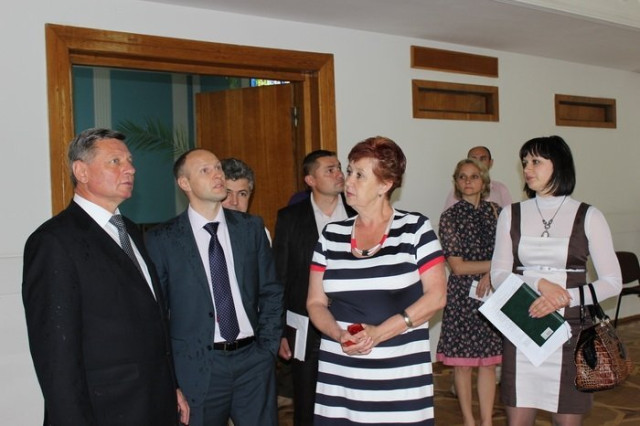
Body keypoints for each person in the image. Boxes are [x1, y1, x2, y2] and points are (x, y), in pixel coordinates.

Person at [22, 128, 189, 425]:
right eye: (115, 161)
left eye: (130, 161)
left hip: (155, 401)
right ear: (81, 171)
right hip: (106, 410)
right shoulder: (54, 242)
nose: (130, 169)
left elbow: (153, 320)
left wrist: (172, 386)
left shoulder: (131, 231)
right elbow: (56, 356)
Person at [307, 136, 447, 424]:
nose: (348, 181)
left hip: (399, 371)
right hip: (340, 369)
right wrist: (338, 334)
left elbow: (436, 297)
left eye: (360, 175)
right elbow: (315, 302)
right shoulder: (331, 235)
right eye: (349, 171)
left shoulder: (415, 229)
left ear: (385, 185)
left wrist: (379, 333)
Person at [146, 148, 283, 426]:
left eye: (218, 167)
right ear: (184, 183)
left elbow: (271, 291)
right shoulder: (162, 239)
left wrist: (267, 350)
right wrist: (171, 378)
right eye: (205, 170)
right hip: (197, 367)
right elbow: (156, 314)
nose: (217, 174)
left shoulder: (250, 228)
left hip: (253, 362)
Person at [490, 135, 622, 426]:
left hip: (570, 329)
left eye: (536, 161)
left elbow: (613, 281)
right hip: (522, 325)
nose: (527, 168)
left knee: (567, 420)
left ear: (559, 165)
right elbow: (498, 275)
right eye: (525, 162)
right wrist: (540, 284)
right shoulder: (511, 214)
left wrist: (564, 297)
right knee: (518, 420)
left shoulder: (589, 216)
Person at [273, 150, 356, 426]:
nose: (339, 174)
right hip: (305, 324)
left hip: (353, 320)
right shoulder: (290, 218)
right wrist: (280, 331)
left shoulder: (359, 214)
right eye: (329, 170)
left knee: (351, 396)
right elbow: (280, 277)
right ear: (310, 180)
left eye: (339, 168)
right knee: (306, 400)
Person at [437, 158, 503, 426]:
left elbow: (511, 254)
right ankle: (468, 420)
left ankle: (486, 421)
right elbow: (458, 266)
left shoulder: (498, 212)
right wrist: (496, 265)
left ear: (484, 181)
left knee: (488, 364)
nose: (468, 181)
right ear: (456, 182)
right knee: (463, 364)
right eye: (462, 176)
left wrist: (493, 272)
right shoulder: (449, 217)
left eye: (474, 176)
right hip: (463, 296)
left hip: (493, 292)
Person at [443, 146, 512, 210]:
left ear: (490, 163)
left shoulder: (500, 189)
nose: (478, 162)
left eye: (483, 159)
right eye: (473, 159)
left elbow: (510, 215)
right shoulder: (456, 192)